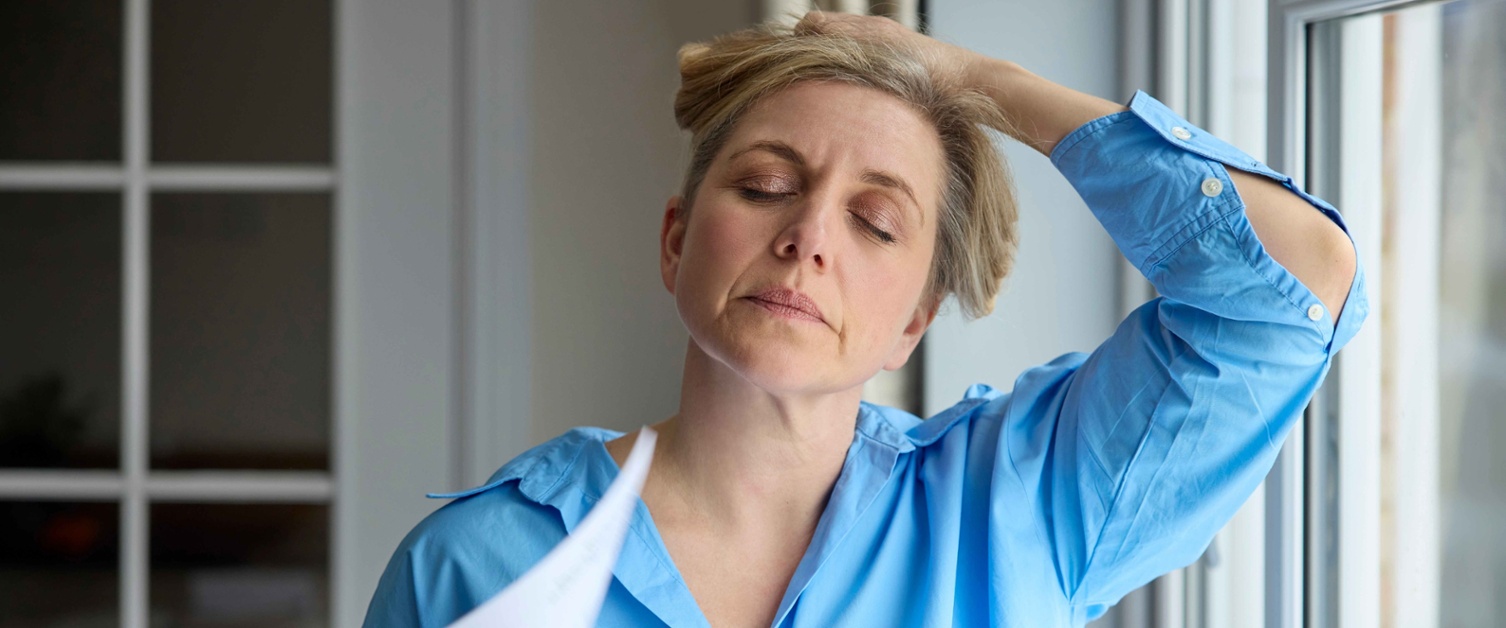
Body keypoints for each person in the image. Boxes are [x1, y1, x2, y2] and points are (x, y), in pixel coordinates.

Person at [364, 11, 1365, 627]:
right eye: (764, 185)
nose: (808, 237)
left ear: (914, 323)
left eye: (876, 221)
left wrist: (975, 83)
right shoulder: (474, 565)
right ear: (676, 242)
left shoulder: (1021, 513)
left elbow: (1294, 287)